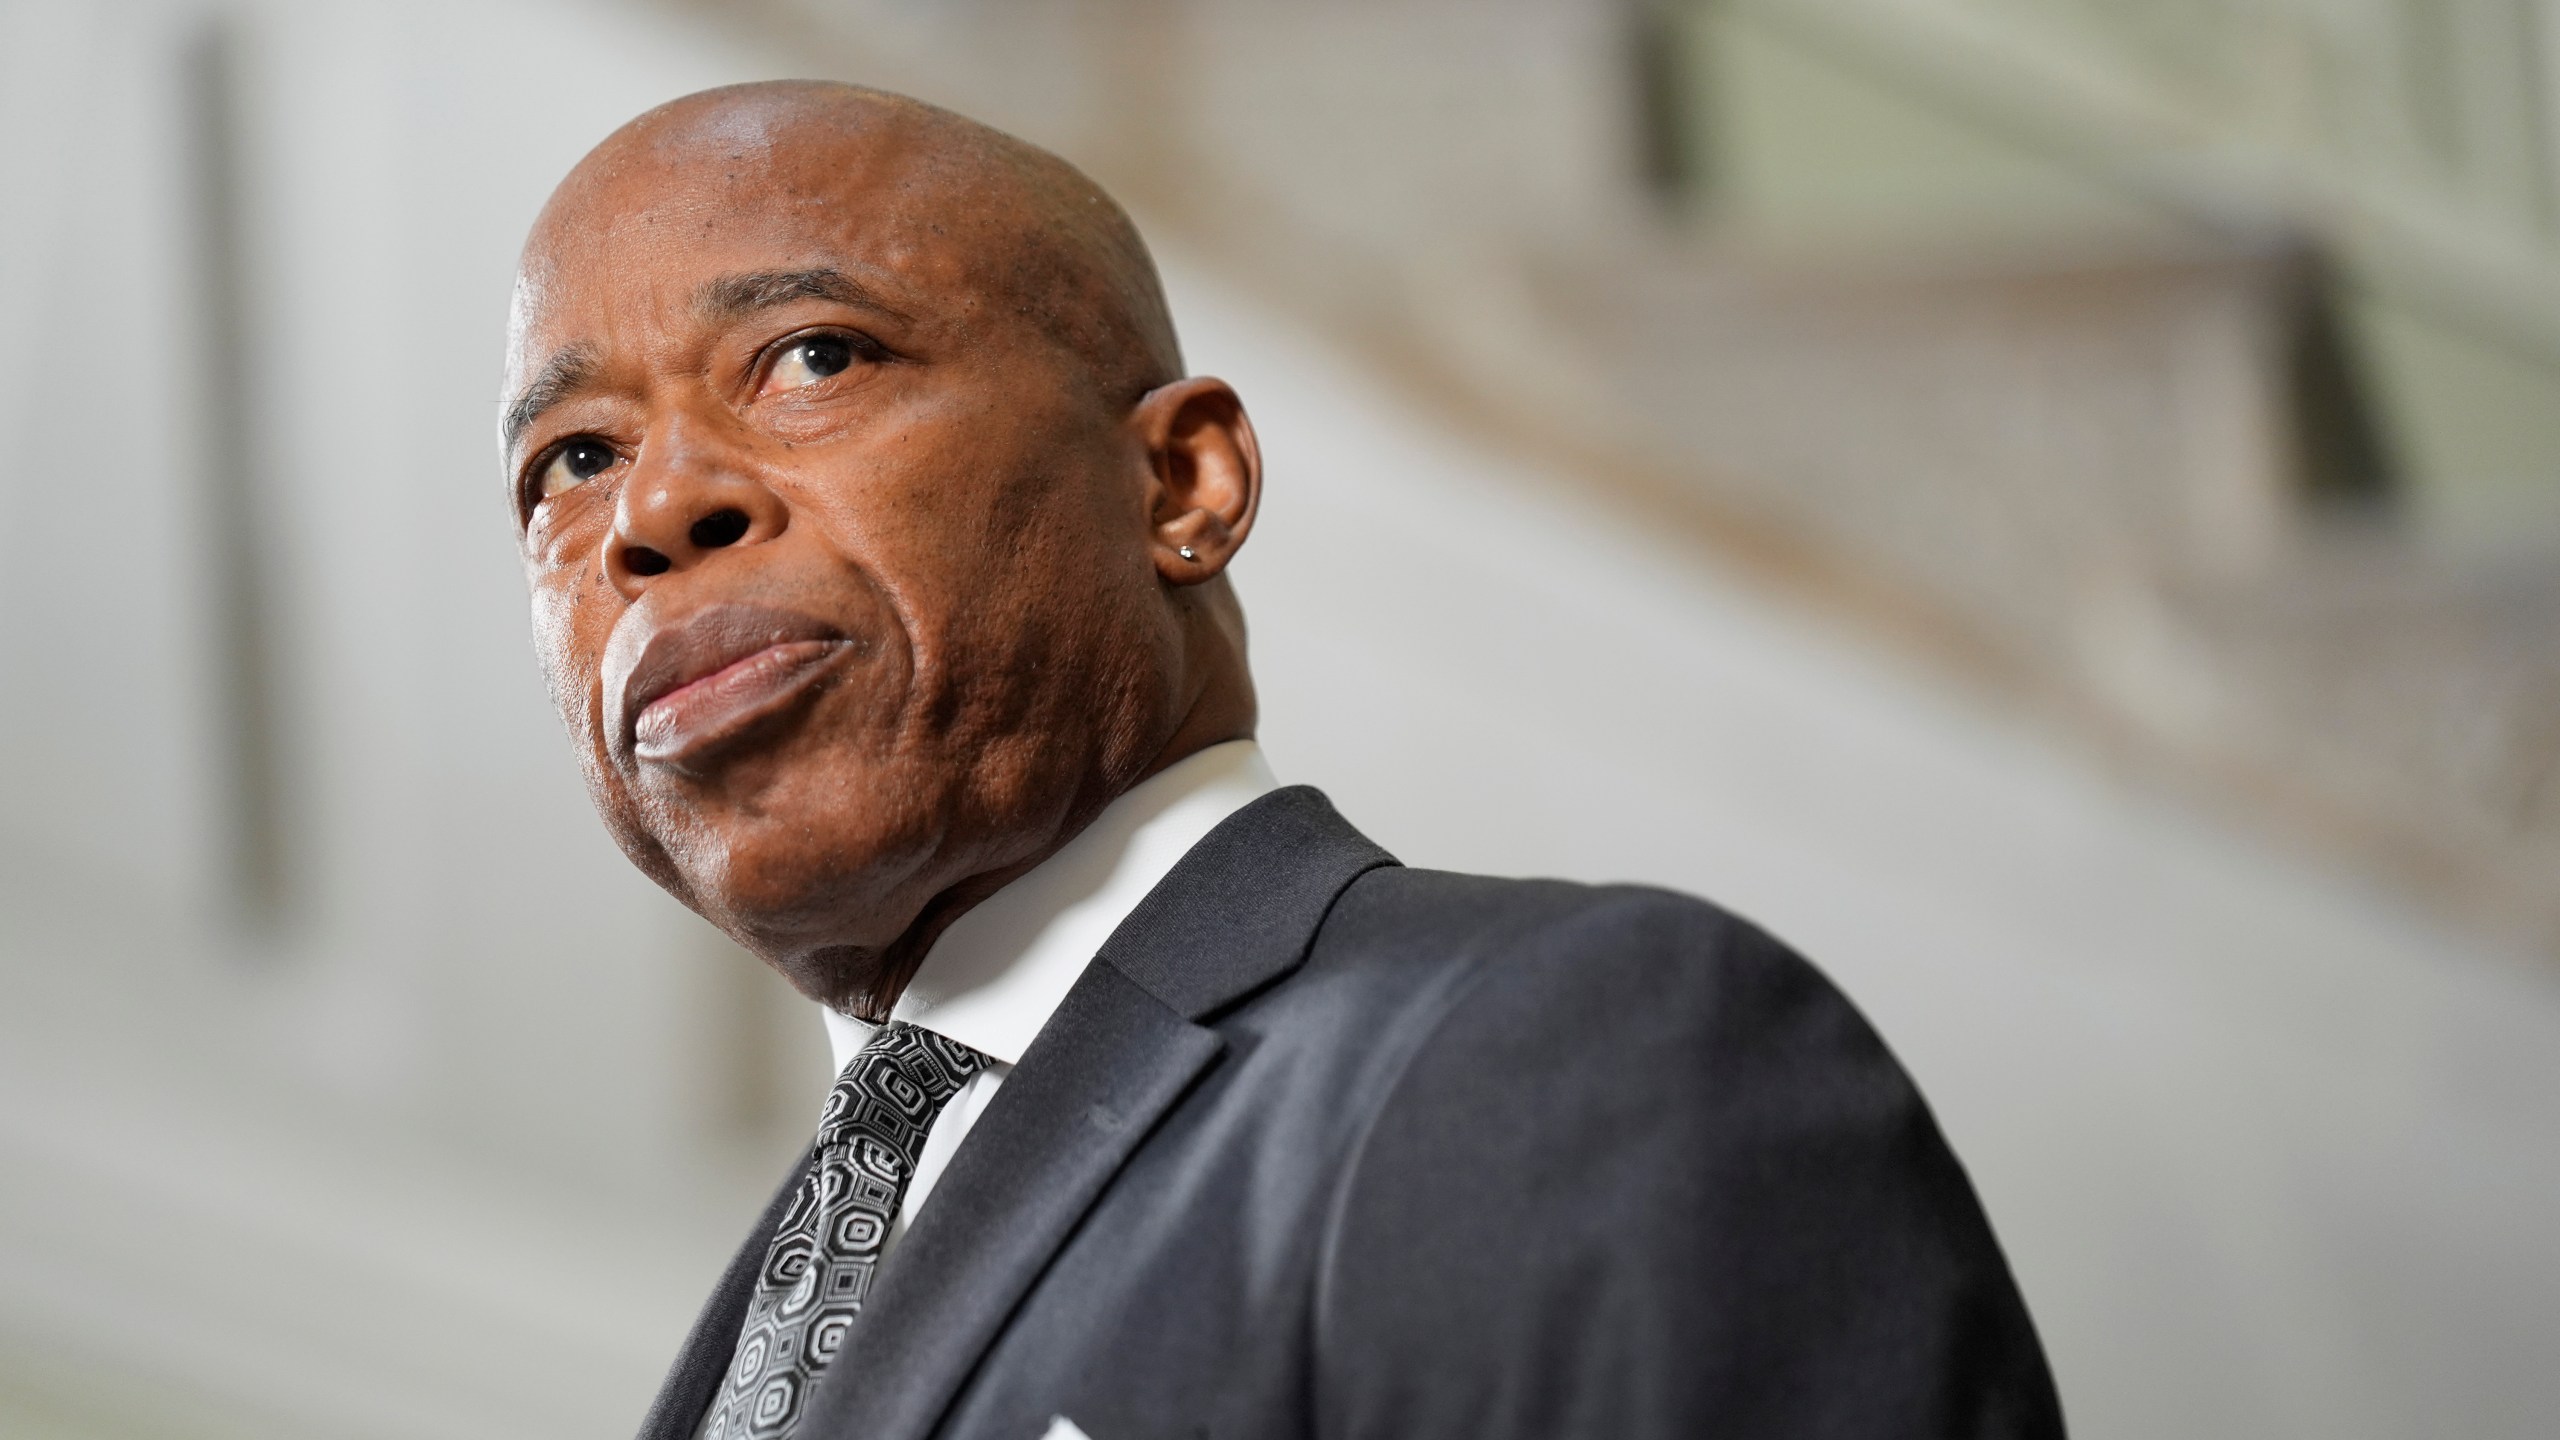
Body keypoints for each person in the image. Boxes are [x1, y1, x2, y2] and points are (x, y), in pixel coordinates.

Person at [500, 80, 2065, 1440]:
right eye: (574, 460)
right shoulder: (801, 1288)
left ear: (1182, 482)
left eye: (814, 358)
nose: (652, 514)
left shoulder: (1564, 1051)